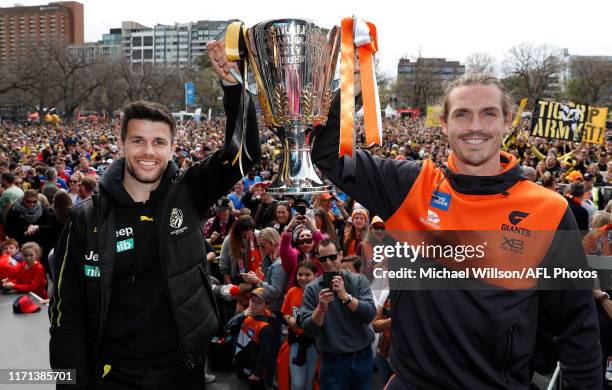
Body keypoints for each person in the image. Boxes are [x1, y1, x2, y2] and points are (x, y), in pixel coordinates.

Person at [310, 72, 602, 388]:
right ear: (445, 124)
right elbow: (328, 155)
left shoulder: (550, 209)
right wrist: (354, 82)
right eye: (462, 114)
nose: (475, 125)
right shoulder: (409, 186)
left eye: (488, 113)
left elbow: (577, 325)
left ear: (507, 122)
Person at [48, 95, 260, 388]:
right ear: (121, 144)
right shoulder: (85, 220)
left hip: (183, 368)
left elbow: (244, 153)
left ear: (172, 148)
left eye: (159, 142)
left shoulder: (189, 192)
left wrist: (233, 86)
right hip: (114, 373)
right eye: (138, 140)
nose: (148, 151)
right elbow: (64, 316)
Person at [298, 238, 376, 390]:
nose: (328, 262)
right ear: (318, 260)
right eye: (323, 258)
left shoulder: (358, 280)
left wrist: (346, 297)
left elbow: (369, 314)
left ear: (340, 255)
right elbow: (309, 330)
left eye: (332, 257)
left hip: (362, 357)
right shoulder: (312, 289)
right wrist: (320, 309)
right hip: (332, 361)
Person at [227, 287, 276, 390]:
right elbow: (229, 326)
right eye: (252, 301)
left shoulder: (265, 327)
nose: (254, 304)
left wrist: (257, 373)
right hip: (242, 360)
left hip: (253, 368)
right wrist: (242, 315)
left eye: (259, 303)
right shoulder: (247, 315)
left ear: (266, 305)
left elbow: (265, 353)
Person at [281, 260, 318, 390]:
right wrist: (289, 318)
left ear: (316, 275)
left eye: (307, 274)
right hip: (296, 342)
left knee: (309, 382)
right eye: (300, 274)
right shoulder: (292, 292)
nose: (303, 278)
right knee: (297, 384)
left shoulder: (320, 293)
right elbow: (284, 313)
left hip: (314, 343)